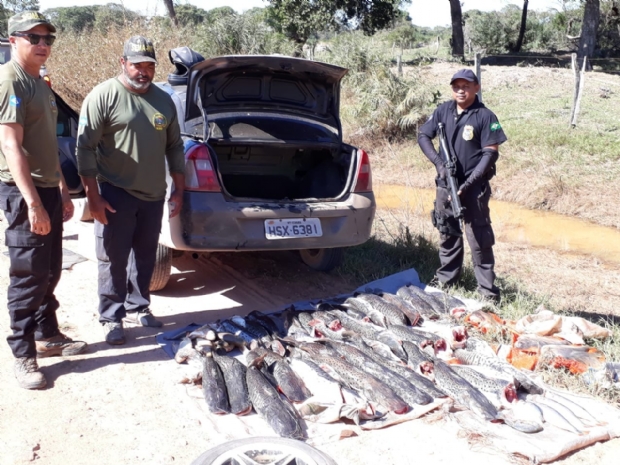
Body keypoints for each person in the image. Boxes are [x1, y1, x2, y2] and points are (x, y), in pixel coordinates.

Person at [76, 36, 185, 345]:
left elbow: (175, 147)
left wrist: (178, 189)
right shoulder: (103, 95)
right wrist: (92, 196)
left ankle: (140, 305)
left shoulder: (164, 100)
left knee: (146, 256)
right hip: (114, 192)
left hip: (153, 195)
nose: (143, 72)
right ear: (123, 63)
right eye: (137, 65)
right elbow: (85, 148)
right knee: (113, 258)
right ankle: (111, 317)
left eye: (149, 66)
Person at [0, 11, 87, 389]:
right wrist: (33, 203)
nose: (42, 44)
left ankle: (47, 334)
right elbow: (10, 144)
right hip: (24, 193)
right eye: (33, 37)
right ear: (12, 40)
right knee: (28, 274)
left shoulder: (40, 83)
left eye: (48, 38)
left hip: (49, 189)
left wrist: (63, 191)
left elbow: (48, 143)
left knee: (50, 269)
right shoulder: (10, 81)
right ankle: (22, 354)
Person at [418, 69, 507, 303]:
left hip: (474, 187)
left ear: (476, 87)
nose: (460, 89)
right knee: (447, 231)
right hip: (445, 184)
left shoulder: (486, 116)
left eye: (466, 85)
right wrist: (439, 165)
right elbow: (423, 136)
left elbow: (491, 154)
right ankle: (447, 281)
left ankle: (487, 292)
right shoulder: (443, 110)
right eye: (456, 85)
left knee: (479, 237)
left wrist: (469, 183)